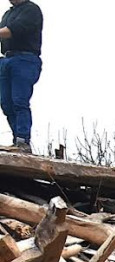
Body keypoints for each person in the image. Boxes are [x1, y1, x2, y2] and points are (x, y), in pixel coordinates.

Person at [0, 0, 42, 153]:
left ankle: (23, 141)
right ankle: (16, 140)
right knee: (6, 103)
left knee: (19, 100)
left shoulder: (31, 10)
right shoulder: (8, 14)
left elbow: (13, 31)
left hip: (25, 59)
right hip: (6, 59)